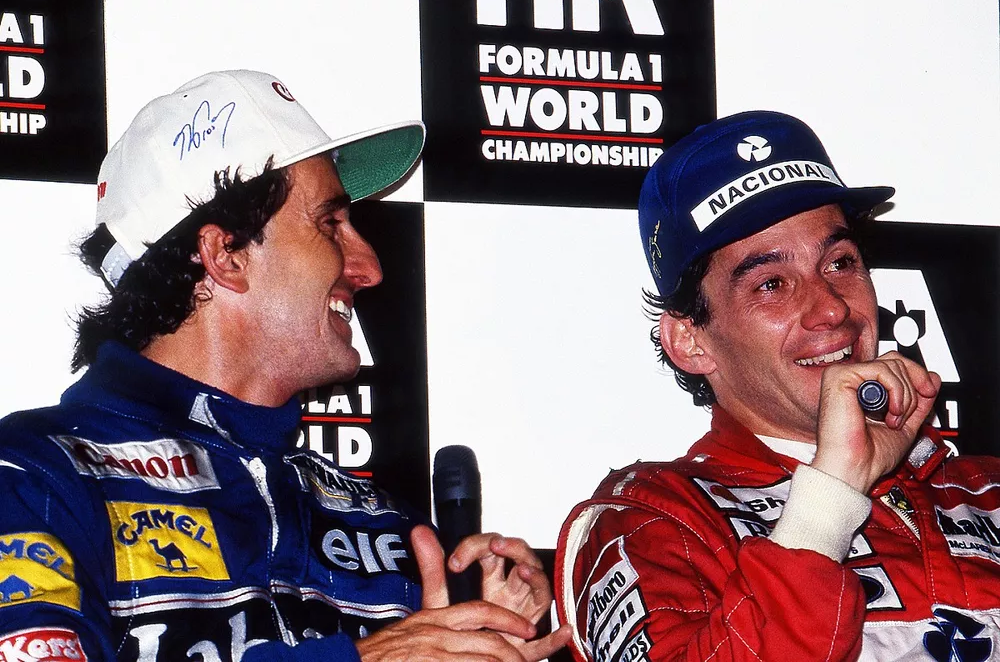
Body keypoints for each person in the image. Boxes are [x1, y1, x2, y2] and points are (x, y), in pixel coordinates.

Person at [0, 69, 569, 661]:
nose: (369, 267)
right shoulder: (34, 474)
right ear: (226, 256)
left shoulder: (381, 524)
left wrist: (484, 633)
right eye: (330, 224)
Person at [555, 110, 1000, 661]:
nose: (832, 309)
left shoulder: (986, 489)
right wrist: (831, 495)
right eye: (771, 283)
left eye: (840, 263)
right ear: (691, 341)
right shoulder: (652, 522)